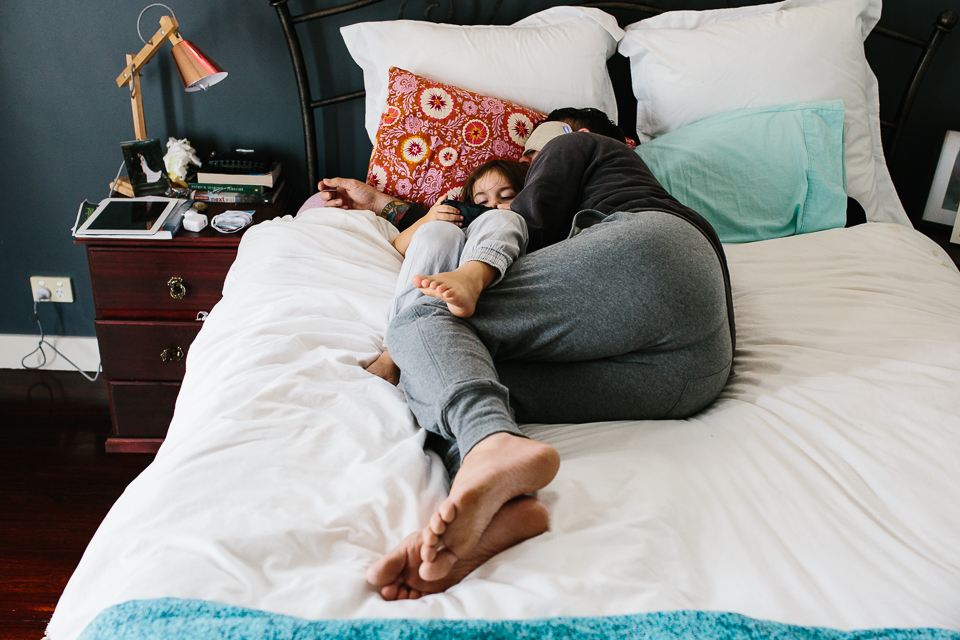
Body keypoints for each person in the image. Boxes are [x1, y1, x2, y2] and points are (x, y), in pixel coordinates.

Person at [320, 108, 735, 601]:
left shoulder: (577, 145)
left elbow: (519, 226)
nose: (530, 158)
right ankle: (502, 504)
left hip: (655, 257)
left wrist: (421, 226)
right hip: (692, 373)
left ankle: (491, 442)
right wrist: (388, 206)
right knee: (437, 369)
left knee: (420, 319)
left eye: (535, 149)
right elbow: (474, 221)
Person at [365, 160, 530, 385]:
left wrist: (503, 213)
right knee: (438, 232)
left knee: (504, 218)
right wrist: (427, 219)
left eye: (507, 196)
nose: (493, 205)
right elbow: (397, 247)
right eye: (482, 201)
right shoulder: (454, 226)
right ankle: (392, 351)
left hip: (490, 281)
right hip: (449, 263)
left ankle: (470, 278)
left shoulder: (511, 220)